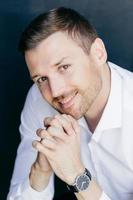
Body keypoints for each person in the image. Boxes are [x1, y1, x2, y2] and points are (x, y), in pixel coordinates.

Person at [7, 7, 133, 200]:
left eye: (64, 67)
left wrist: (76, 176)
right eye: (41, 78)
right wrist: (40, 170)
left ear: (98, 53)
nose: (56, 91)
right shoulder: (39, 97)